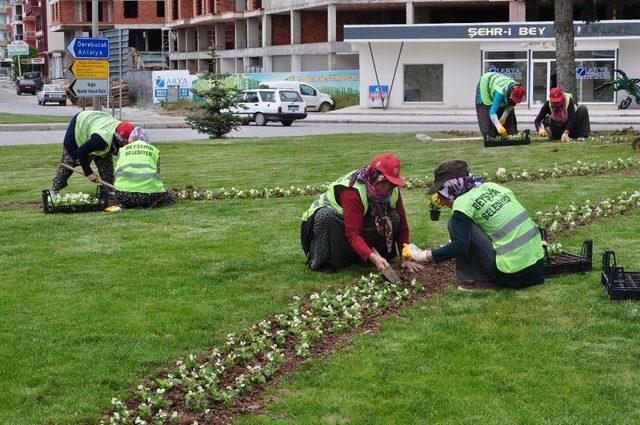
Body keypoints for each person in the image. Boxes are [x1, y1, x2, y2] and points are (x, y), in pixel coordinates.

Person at [403, 160, 544, 291]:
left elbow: (460, 246)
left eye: (441, 192)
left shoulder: (463, 203)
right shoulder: (493, 187)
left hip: (512, 275)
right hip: (537, 268)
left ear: (451, 186)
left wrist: (421, 255)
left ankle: (480, 280)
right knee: (466, 225)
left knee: (454, 224)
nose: (441, 200)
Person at [301, 153, 424, 274]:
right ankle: (326, 262)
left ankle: (362, 258)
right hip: (333, 225)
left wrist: (405, 254)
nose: (389, 188)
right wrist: (374, 258)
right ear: (375, 177)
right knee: (325, 217)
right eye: (385, 182)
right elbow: (352, 233)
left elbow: (402, 223)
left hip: (360, 223)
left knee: (394, 217)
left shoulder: (392, 190)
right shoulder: (352, 192)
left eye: (392, 183)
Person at [51, 111, 134, 196]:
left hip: (97, 125)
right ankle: (54, 190)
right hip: (79, 125)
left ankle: (108, 190)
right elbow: (80, 152)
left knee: (105, 160)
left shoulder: (123, 130)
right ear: (119, 139)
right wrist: (89, 173)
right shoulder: (101, 139)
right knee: (70, 161)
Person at [113, 127, 176, 209]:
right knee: (169, 196)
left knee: (130, 196)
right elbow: (157, 174)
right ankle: (148, 204)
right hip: (148, 195)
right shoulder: (154, 150)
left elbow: (117, 172)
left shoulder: (122, 150)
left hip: (123, 195)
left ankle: (129, 204)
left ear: (130, 138)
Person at [476, 72, 526, 140]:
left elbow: (511, 105)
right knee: (488, 110)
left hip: (498, 81)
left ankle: (510, 133)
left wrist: (504, 117)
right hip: (486, 82)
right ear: (510, 94)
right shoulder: (499, 93)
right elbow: (492, 112)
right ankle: (491, 136)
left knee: (508, 112)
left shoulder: (516, 88)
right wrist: (498, 125)